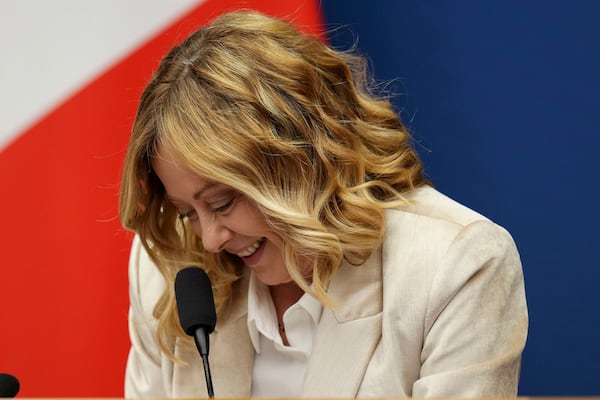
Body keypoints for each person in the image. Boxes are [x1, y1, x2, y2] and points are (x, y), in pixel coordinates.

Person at [119, 10, 528, 398]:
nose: (208, 239)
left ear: (303, 159)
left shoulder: (456, 266)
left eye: (223, 203)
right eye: (188, 212)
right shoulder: (167, 265)